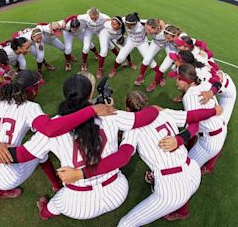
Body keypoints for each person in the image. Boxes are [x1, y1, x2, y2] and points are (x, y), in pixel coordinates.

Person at [0, 74, 162, 220]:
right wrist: (154, 108)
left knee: (52, 206)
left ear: (67, 96)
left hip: (78, 203)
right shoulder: (109, 113)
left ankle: (44, 213)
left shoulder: (53, 126)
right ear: (90, 95)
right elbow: (142, 119)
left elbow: (23, 154)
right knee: (129, 136)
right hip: (118, 191)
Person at [0, 70, 115, 215]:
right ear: (33, 90)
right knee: (41, 152)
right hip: (8, 175)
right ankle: (56, 184)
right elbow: (49, 129)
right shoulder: (31, 108)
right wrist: (92, 110)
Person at [56, 90, 222, 224]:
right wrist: (182, 137)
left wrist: (82, 173)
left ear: (128, 110)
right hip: (193, 171)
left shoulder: (132, 130)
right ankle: (182, 212)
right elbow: (194, 120)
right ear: (146, 103)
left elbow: (123, 157)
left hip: (171, 189)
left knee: (125, 225)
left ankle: (179, 207)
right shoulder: (164, 113)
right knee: (175, 185)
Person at [176, 64, 227, 173]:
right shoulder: (203, 84)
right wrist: (211, 92)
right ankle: (209, 166)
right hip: (220, 129)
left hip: (209, 142)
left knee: (186, 170)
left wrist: (177, 140)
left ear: (184, 81)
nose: (176, 81)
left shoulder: (188, 97)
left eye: (177, 78)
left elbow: (194, 126)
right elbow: (218, 81)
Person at [108, 13, 163, 87]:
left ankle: (160, 77)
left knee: (149, 60)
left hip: (142, 43)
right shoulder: (124, 20)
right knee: (120, 58)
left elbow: (158, 21)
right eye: (126, 24)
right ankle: (114, 69)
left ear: (135, 22)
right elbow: (117, 18)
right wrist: (107, 19)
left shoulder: (143, 23)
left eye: (130, 25)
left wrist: (163, 25)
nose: (127, 26)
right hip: (130, 41)